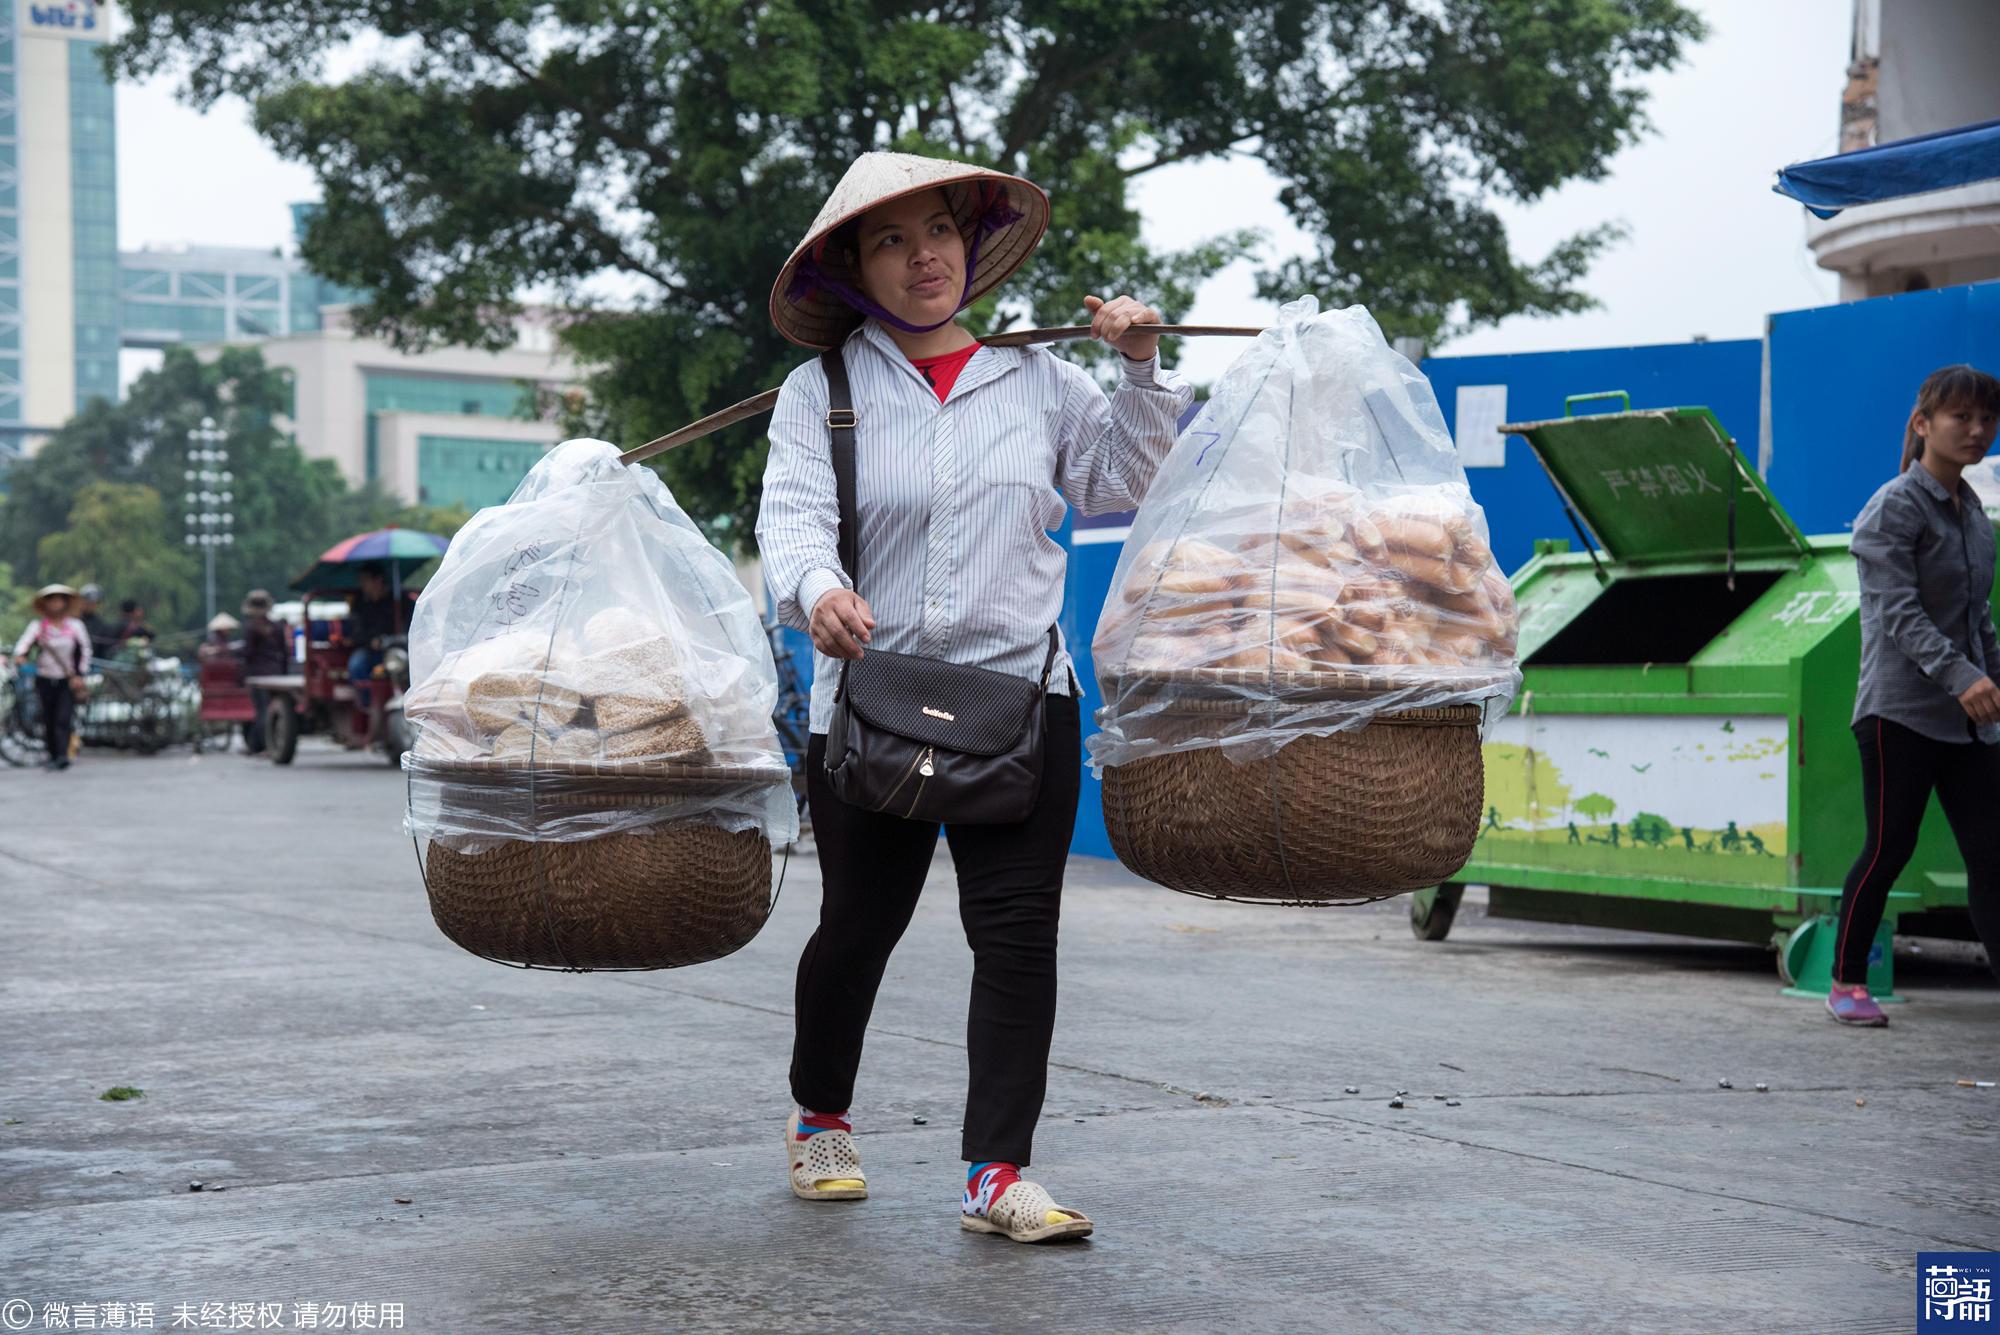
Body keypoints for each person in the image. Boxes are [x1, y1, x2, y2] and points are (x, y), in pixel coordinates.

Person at [758, 151, 1190, 1243]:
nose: (924, 258)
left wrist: (1140, 369)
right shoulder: (825, 391)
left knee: (1016, 937)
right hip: (870, 700)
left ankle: (996, 1174)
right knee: (858, 925)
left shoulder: (1043, 380)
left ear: (970, 244)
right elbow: (792, 524)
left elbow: (1124, 488)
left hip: (1018, 698)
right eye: (891, 240)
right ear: (854, 267)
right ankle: (821, 1119)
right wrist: (818, 591)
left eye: (939, 230)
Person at [1833, 364, 2000, 1026]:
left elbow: (1977, 618)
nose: (1978, 429)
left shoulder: (1975, 514)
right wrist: (1964, 677)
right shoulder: (1893, 507)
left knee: (1992, 854)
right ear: (1923, 423)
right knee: (1889, 845)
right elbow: (1899, 614)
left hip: (1966, 723)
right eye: (1962, 417)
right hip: (1897, 712)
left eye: (1987, 419)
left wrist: (1991, 677)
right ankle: (1846, 981)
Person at [10, 584, 91, 771]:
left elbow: (84, 651)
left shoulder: (75, 627)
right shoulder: (38, 627)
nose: (56, 604)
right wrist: (21, 656)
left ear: (65, 603)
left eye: (59, 600)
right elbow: (23, 646)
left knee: (63, 717)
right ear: (46, 604)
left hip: (67, 679)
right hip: (44, 677)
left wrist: (79, 675)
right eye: (52, 600)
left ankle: (63, 755)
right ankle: (52, 755)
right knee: (48, 717)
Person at [345, 564, 401, 746]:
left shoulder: (400, 601)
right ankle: (366, 703)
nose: (364, 586)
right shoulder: (360, 604)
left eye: (365, 582)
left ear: (377, 581)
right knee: (356, 665)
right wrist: (371, 641)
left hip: (395, 653)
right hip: (370, 652)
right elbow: (355, 632)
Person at [239, 590, 290, 755]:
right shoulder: (277, 627)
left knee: (262, 710)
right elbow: (285, 652)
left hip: (258, 675)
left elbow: (248, 653)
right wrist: (283, 673)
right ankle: (264, 744)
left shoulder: (250, 629)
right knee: (272, 709)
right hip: (276, 674)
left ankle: (264, 746)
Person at [76, 584, 116, 660]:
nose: (91, 605)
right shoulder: (73, 620)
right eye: (88, 602)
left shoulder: (100, 624)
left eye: (94, 603)